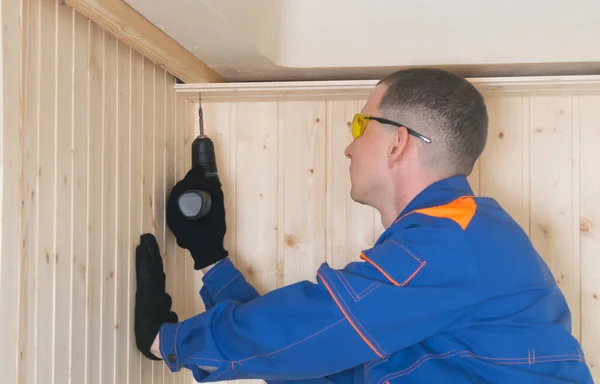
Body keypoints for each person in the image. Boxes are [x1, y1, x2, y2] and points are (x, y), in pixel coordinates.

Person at [134, 68, 593, 383]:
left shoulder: (452, 241)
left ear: (397, 143)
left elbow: (318, 328)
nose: (350, 148)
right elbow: (320, 358)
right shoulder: (459, 239)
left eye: (359, 125)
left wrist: (168, 341)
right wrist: (211, 260)